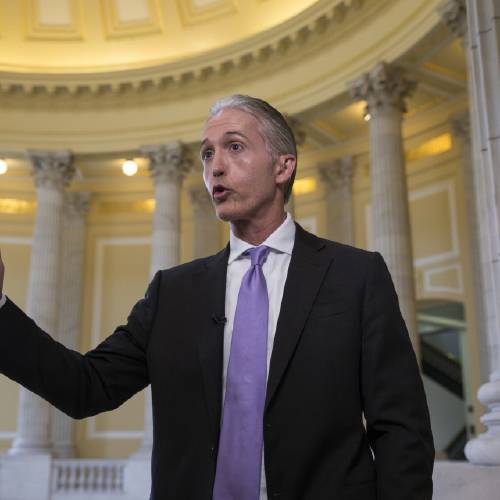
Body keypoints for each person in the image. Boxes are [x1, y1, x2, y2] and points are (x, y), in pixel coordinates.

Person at [0, 95, 434, 500]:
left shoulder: (356, 276)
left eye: (235, 147)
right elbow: (85, 388)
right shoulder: (173, 292)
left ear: (283, 167)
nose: (215, 168)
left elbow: (401, 429)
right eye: (208, 154)